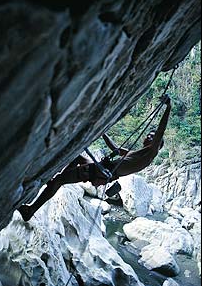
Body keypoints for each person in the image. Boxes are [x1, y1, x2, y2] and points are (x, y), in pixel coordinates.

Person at [18, 94, 171, 221]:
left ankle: (31, 210)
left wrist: (167, 108)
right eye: (148, 135)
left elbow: (160, 131)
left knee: (59, 180)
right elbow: (116, 149)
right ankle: (63, 178)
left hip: (100, 171)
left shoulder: (149, 155)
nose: (148, 137)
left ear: (157, 145)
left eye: (152, 137)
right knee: (77, 158)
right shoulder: (135, 154)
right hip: (101, 169)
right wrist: (103, 132)